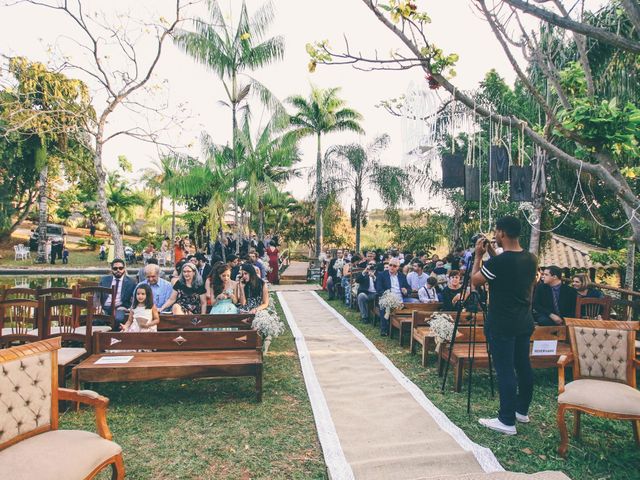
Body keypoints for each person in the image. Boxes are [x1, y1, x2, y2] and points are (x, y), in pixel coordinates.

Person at [471, 216, 538, 436]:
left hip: (502, 322)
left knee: (505, 369)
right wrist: (491, 252)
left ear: (501, 233)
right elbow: (505, 266)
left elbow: (476, 280)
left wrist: (479, 256)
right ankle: (521, 411)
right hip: (524, 320)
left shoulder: (499, 262)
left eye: (496, 232)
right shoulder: (530, 258)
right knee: (523, 365)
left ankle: (506, 420)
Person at [375, 258, 410, 336]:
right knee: (385, 305)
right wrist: (388, 295)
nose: (392, 267)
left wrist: (406, 290)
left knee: (415, 302)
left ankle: (409, 327)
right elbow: (379, 289)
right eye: (390, 265)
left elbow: (408, 288)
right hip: (387, 297)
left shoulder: (402, 276)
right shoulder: (382, 275)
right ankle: (384, 329)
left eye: (394, 266)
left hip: (400, 298)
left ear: (398, 267)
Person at [99, 258, 136, 330]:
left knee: (118, 319)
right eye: (115, 268)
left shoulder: (131, 282)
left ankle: (114, 338)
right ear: (111, 269)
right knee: (97, 319)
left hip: (120, 307)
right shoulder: (104, 280)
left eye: (120, 268)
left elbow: (135, 297)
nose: (118, 270)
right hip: (105, 307)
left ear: (124, 269)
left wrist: (128, 309)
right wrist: (98, 306)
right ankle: (100, 338)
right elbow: (97, 295)